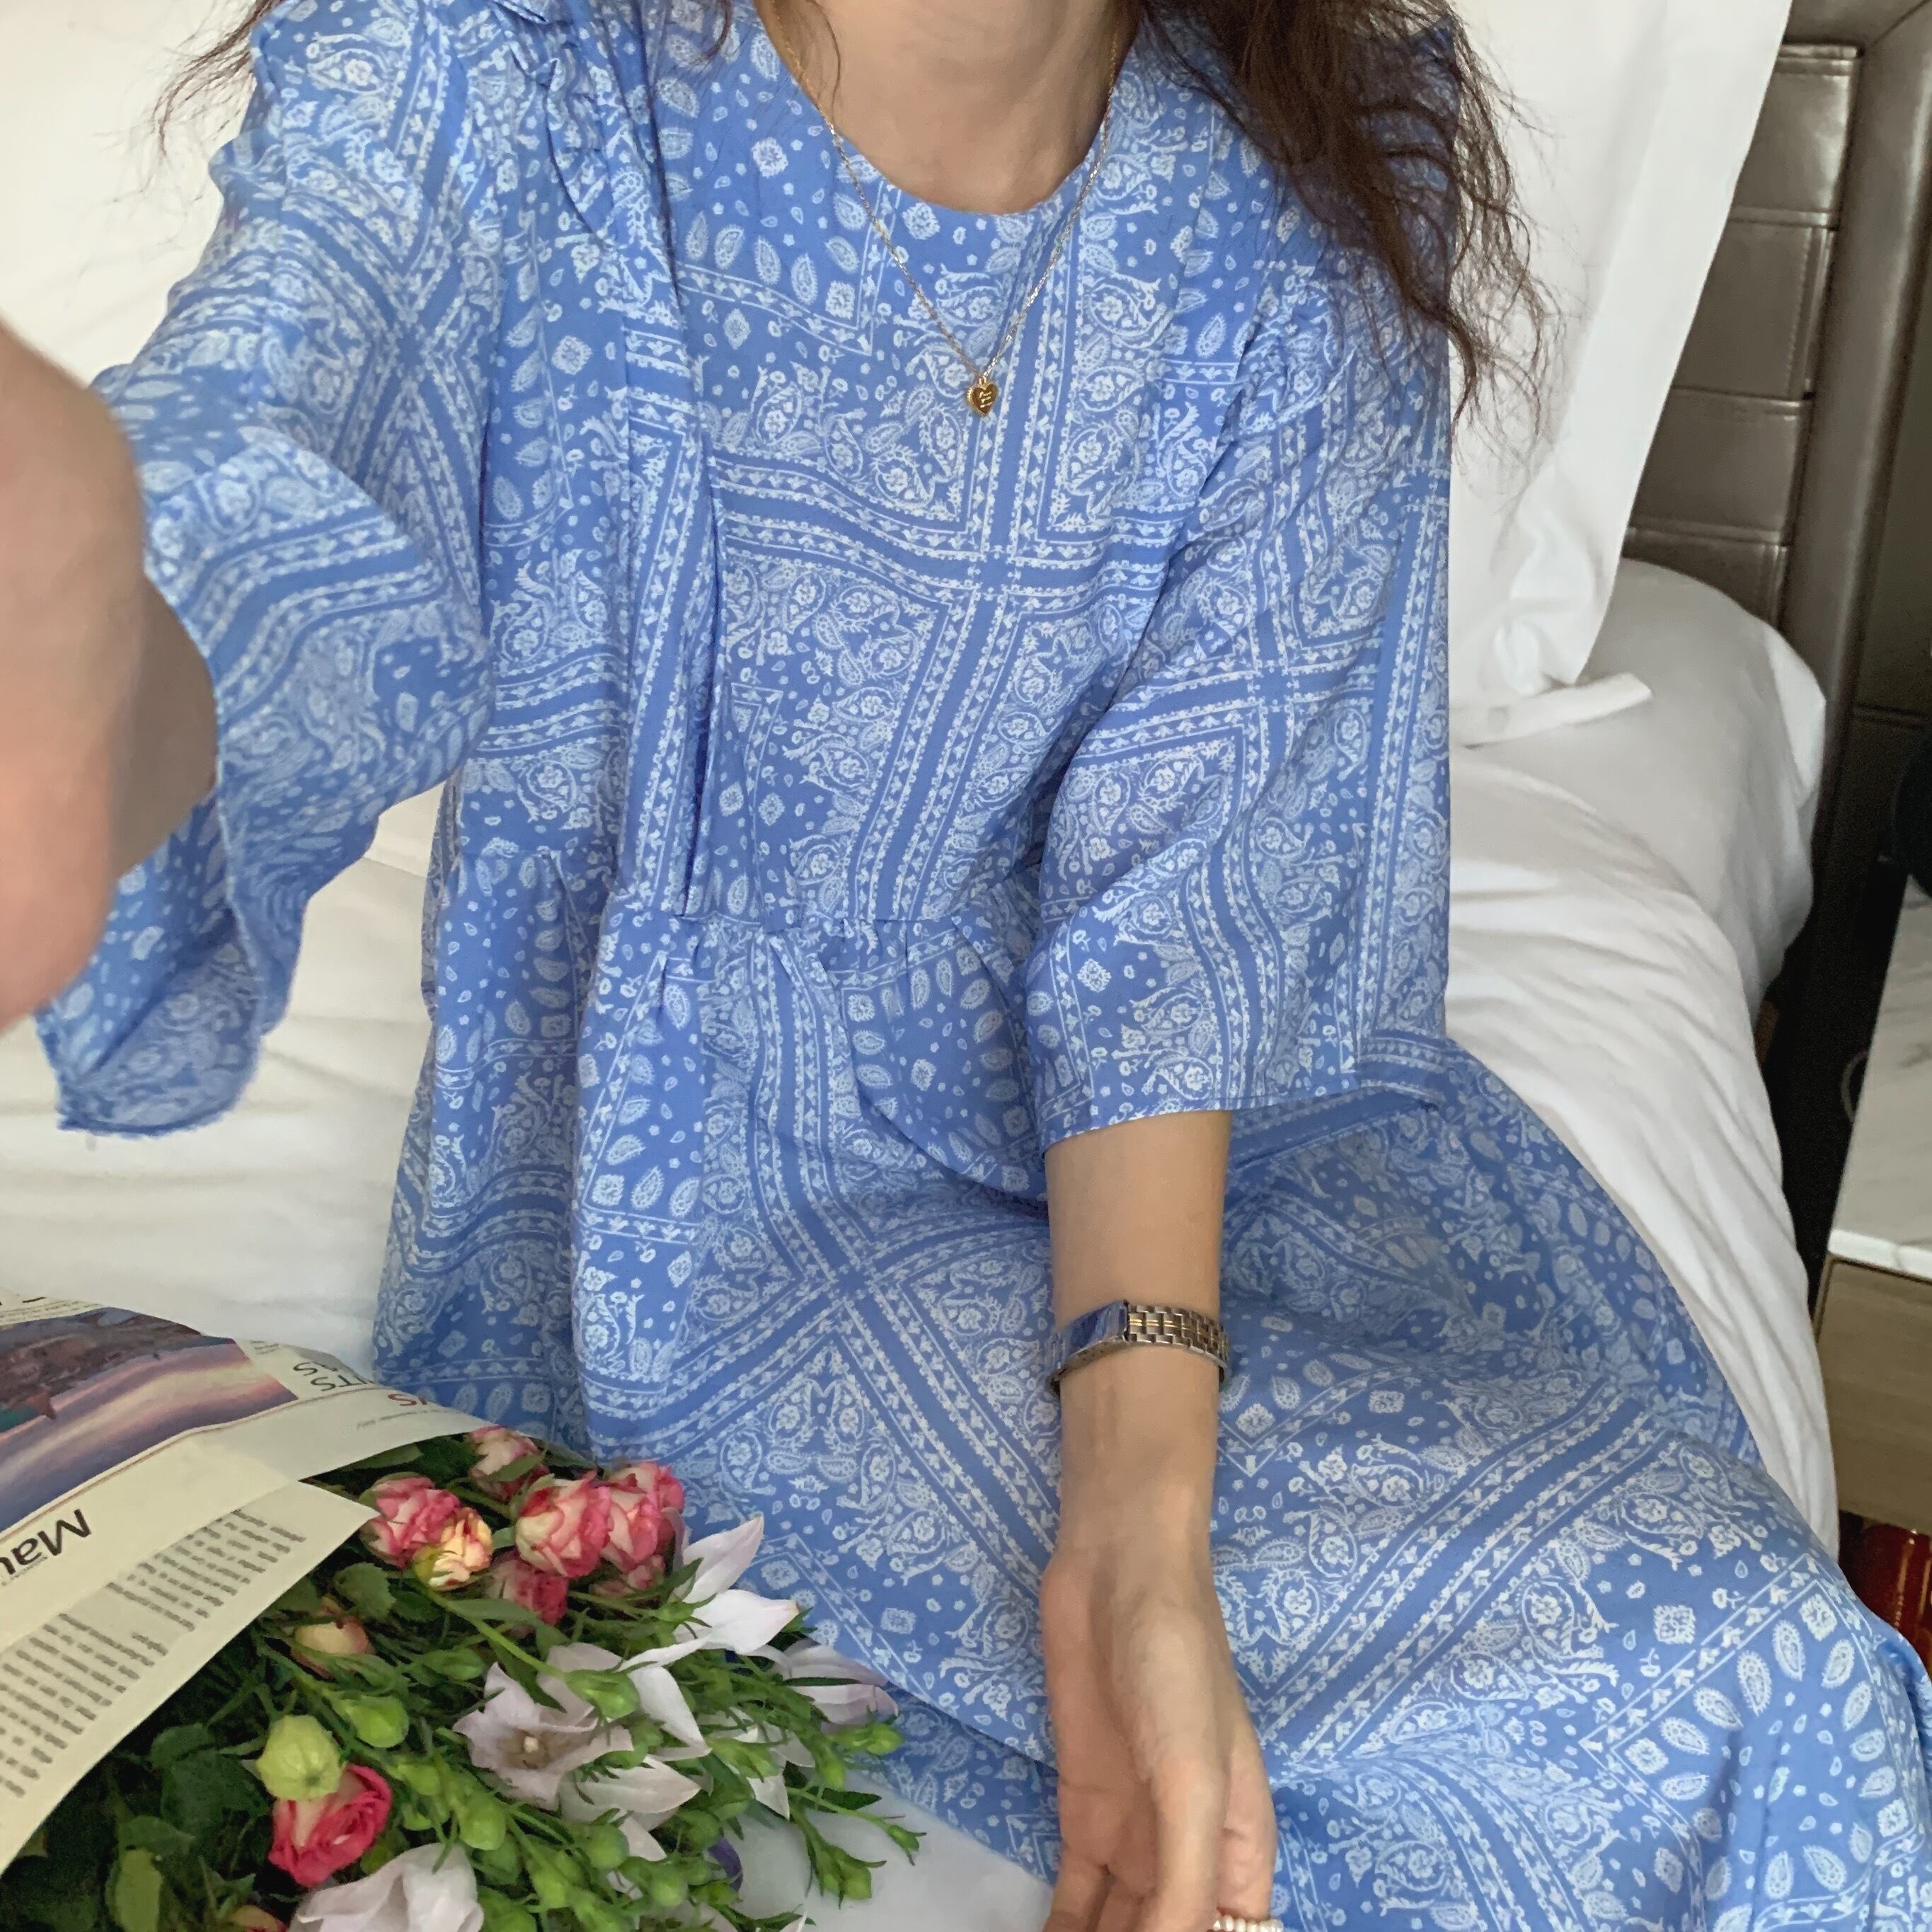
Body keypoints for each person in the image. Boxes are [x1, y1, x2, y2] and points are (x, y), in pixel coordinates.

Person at [2, 1, 1928, 1925]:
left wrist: (1139, 1526)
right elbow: (267, 470)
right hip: (711, 1208)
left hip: (1223, 1174)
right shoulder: (503, 66)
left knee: (1767, 1672)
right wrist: (90, 632)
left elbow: (1190, 910)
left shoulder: (1316, 145)